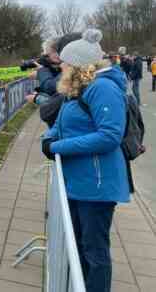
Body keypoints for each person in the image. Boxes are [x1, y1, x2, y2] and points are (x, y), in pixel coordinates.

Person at [42, 29, 129, 292]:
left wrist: (59, 146)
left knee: (94, 252)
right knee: (78, 246)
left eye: (66, 63)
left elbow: (110, 136)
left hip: (97, 186)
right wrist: (50, 138)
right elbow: (62, 122)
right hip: (78, 182)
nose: (62, 66)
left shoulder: (103, 88)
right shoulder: (78, 88)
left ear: (79, 65)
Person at [26, 33, 82, 106]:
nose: (49, 57)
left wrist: (37, 98)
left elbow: (53, 89)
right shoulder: (80, 67)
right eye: (47, 55)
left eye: (51, 52)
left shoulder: (74, 68)